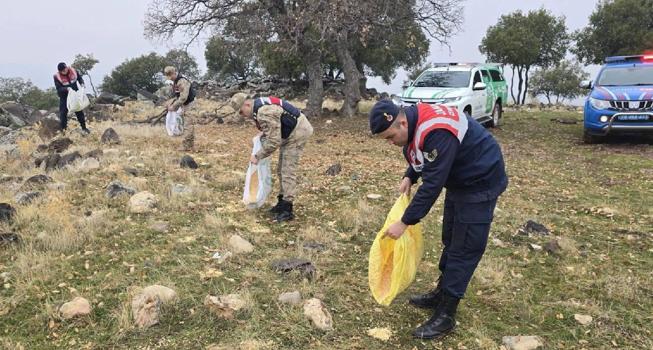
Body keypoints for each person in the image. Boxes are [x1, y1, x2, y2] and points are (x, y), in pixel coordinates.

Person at [368, 100, 508, 340]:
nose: (391, 143)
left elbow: (433, 183)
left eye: (390, 137)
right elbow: (422, 154)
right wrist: (410, 175)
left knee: (464, 247)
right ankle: (441, 292)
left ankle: (447, 314)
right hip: (460, 179)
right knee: (451, 238)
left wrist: (405, 221)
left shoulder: (436, 130)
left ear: (402, 122)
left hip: (480, 180)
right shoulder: (413, 121)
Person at [230, 93, 313, 222]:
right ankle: (282, 201)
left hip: (297, 133)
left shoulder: (264, 112)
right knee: (281, 169)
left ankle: (287, 208)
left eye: (241, 112)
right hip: (290, 133)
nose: (242, 115)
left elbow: (274, 141)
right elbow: (274, 128)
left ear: (247, 104)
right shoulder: (259, 108)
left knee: (287, 170)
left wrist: (258, 156)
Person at [163, 66, 196, 150]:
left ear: (174, 73)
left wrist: (173, 107)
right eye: (168, 76)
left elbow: (183, 98)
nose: (170, 78)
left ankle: (186, 146)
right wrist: (170, 103)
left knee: (188, 125)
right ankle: (190, 145)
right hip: (185, 104)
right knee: (187, 124)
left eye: (170, 76)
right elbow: (177, 96)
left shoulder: (182, 81)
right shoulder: (176, 81)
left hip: (189, 104)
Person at [53, 62, 89, 134]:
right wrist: (66, 89)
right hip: (64, 97)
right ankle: (64, 131)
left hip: (75, 95)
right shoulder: (57, 77)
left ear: (67, 67)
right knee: (63, 113)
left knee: (79, 111)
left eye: (65, 69)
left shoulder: (73, 71)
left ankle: (84, 128)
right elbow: (59, 88)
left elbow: (79, 78)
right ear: (60, 71)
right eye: (62, 71)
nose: (65, 71)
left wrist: (82, 83)